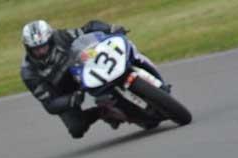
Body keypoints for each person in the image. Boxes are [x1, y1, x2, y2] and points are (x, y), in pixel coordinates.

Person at [21, 19, 167, 138]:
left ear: (51, 40)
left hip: (82, 69)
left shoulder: (62, 36)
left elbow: (87, 30)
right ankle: (103, 112)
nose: (40, 51)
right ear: (28, 48)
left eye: (43, 46)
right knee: (76, 129)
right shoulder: (29, 73)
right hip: (65, 90)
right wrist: (71, 99)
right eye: (36, 49)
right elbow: (49, 103)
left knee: (128, 55)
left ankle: (154, 80)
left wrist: (109, 29)